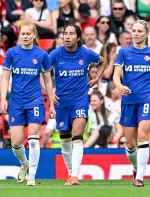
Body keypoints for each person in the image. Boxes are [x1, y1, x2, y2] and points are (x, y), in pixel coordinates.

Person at [113, 20, 150, 187]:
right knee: (130, 144)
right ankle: (136, 167)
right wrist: (119, 86)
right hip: (128, 101)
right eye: (134, 30)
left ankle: (140, 177)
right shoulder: (123, 52)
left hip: (147, 99)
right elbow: (116, 75)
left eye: (139, 31)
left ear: (146, 34)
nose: (136, 33)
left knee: (143, 136)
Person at [49, 24, 106, 185]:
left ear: (78, 37)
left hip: (80, 100)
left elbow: (103, 61)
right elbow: (42, 71)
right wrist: (49, 91)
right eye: (65, 33)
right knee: (65, 142)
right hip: (61, 102)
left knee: (77, 136)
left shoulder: (86, 54)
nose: (67, 36)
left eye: (71, 34)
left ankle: (75, 175)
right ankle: (70, 173)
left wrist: (96, 78)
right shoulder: (55, 54)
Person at [1, 22, 55, 186]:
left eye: (28, 34)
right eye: (22, 34)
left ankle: (32, 176)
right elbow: (5, 78)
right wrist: (3, 98)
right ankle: (24, 164)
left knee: (33, 139)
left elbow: (47, 80)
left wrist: (51, 104)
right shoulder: (12, 53)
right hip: (16, 102)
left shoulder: (41, 55)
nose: (25, 36)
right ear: (20, 36)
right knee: (16, 143)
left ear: (33, 36)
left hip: (35, 101)